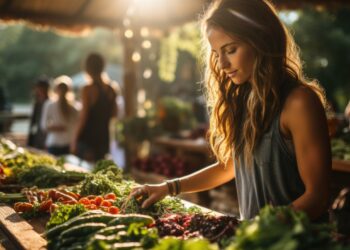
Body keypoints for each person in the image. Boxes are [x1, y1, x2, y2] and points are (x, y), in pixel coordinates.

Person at [132, 0, 331, 221]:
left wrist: (258, 230)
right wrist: (168, 188)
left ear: (261, 40)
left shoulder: (299, 102)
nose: (223, 64)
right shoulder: (244, 100)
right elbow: (229, 167)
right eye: (217, 54)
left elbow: (318, 197)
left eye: (231, 50)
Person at [71, 53, 117, 162]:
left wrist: (74, 139)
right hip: (104, 139)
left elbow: (83, 118)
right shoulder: (112, 89)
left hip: (88, 140)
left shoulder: (87, 89)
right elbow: (114, 115)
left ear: (87, 68)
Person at [40, 75, 79, 156]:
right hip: (68, 143)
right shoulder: (75, 108)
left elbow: (43, 126)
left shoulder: (49, 105)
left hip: (54, 143)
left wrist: (55, 128)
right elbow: (76, 127)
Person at [27, 78, 50, 149]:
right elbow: (33, 121)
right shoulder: (37, 103)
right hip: (38, 136)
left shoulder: (49, 103)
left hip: (46, 135)